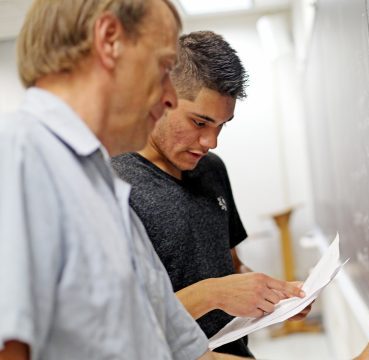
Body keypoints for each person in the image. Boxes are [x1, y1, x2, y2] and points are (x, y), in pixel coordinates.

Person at [0, 0, 220, 359]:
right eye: (164, 68)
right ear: (109, 39)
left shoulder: (104, 190)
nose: (169, 97)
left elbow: (191, 356)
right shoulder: (18, 152)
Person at [112, 30, 308, 358]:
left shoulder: (212, 169)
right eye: (199, 122)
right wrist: (212, 294)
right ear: (161, 99)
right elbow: (123, 323)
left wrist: (273, 295)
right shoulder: (112, 185)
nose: (211, 142)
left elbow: (229, 266)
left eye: (221, 125)